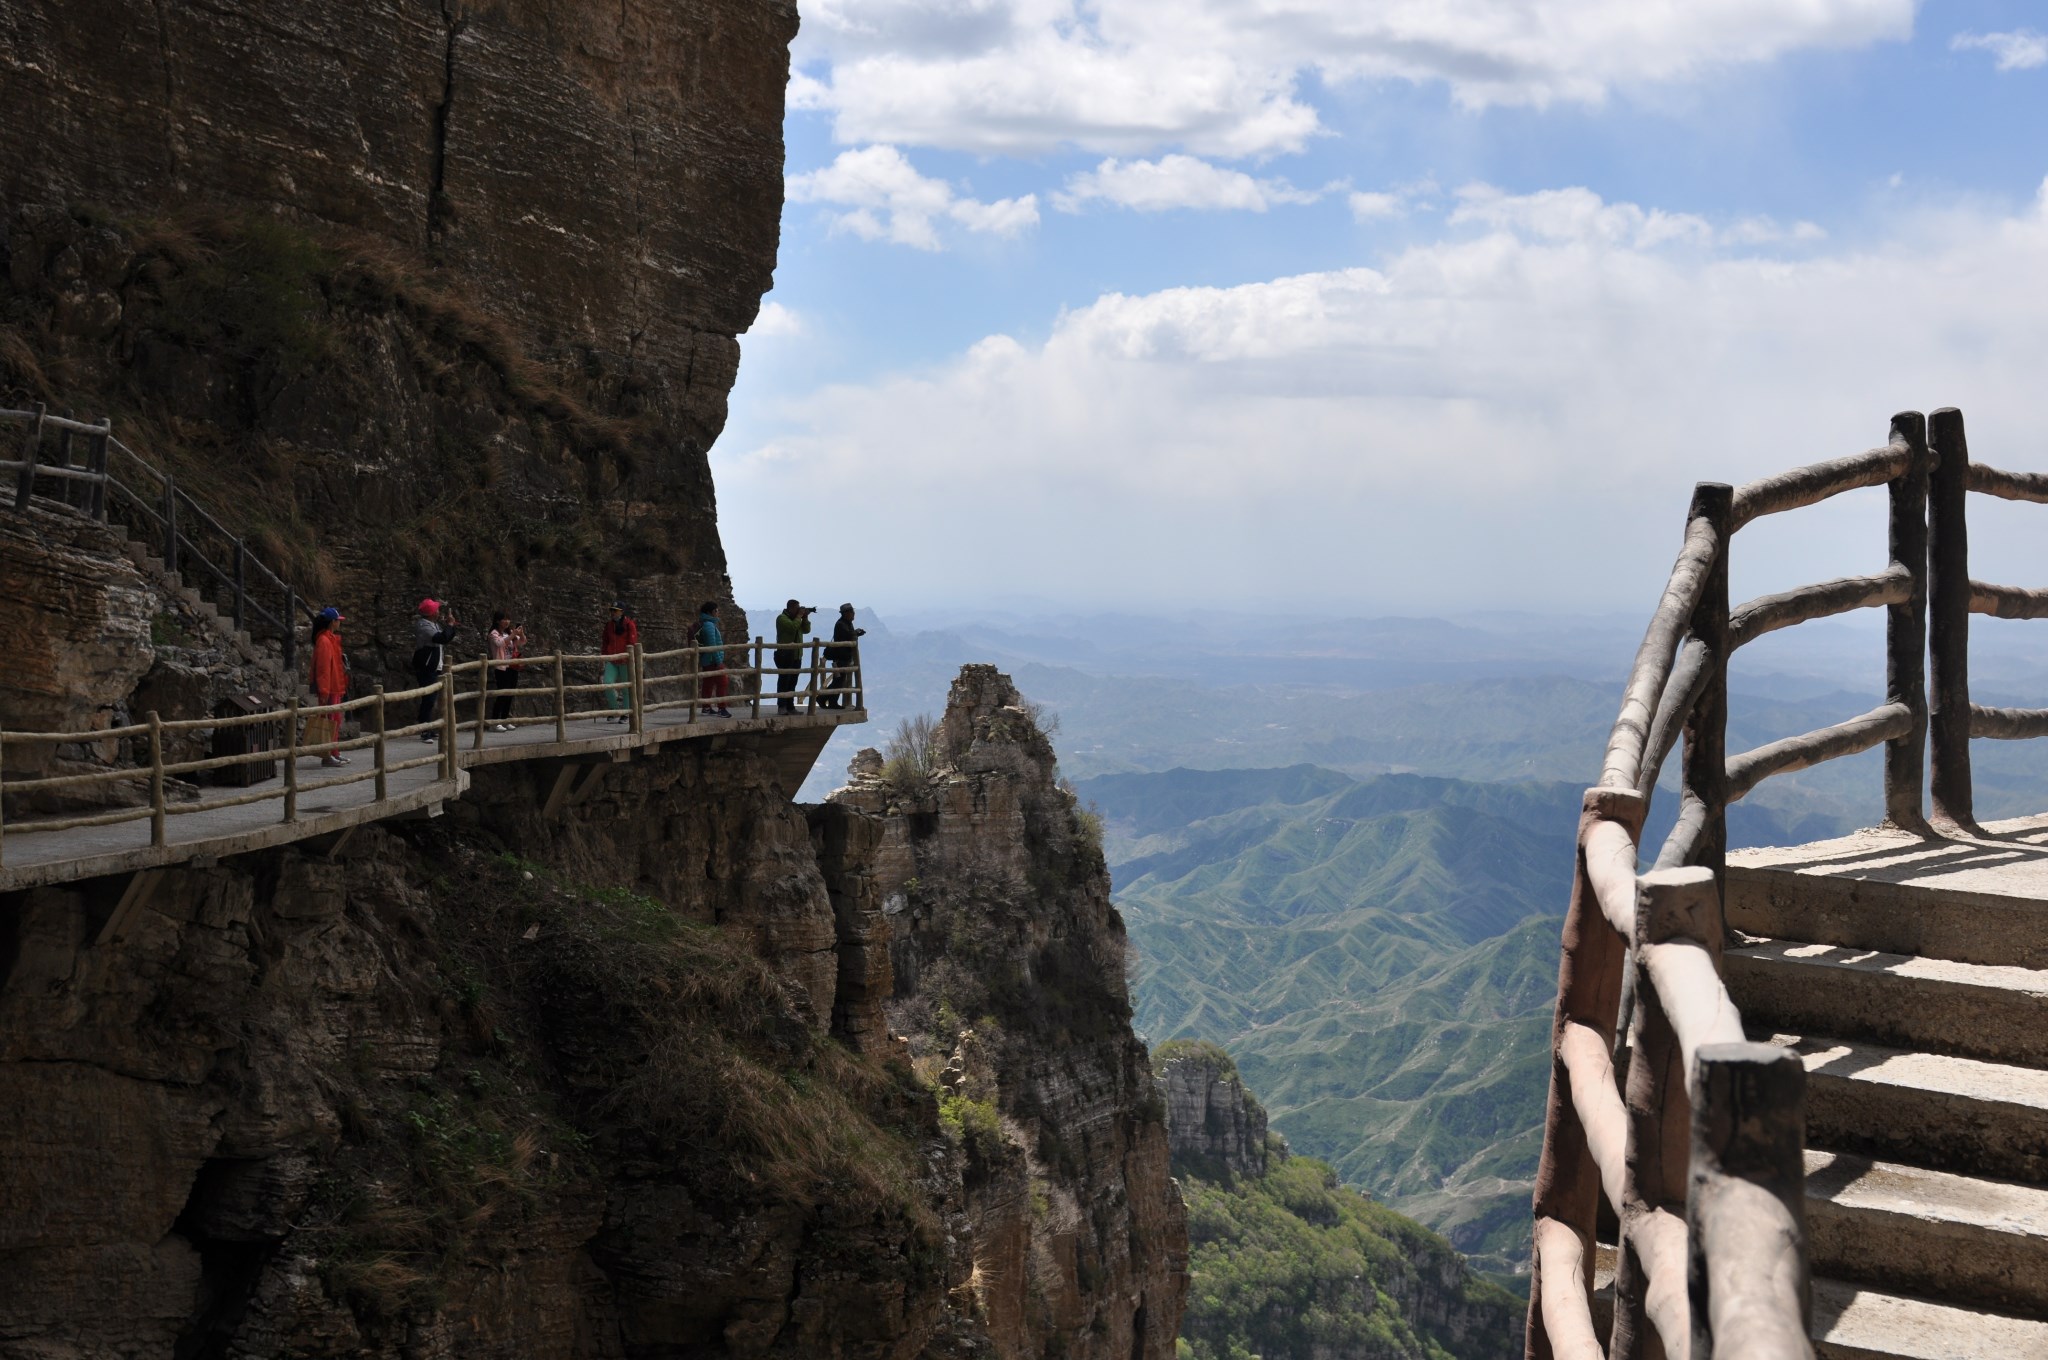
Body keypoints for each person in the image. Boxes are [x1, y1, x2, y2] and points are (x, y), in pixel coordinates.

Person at [412, 598, 459, 740]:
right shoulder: (423, 625)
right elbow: (441, 638)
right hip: (426, 666)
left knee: (431, 699)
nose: (439, 612)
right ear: (432, 613)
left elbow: (447, 637)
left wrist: (451, 626)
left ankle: (428, 727)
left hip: (434, 665)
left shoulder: (434, 624)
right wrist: (449, 625)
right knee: (428, 698)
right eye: (437, 609)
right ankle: (424, 730)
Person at [310, 606, 350, 766]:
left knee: (335, 720)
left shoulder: (328, 639)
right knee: (330, 721)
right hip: (330, 687)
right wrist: (324, 690)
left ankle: (334, 752)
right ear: (332, 623)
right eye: (337, 621)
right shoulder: (325, 641)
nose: (339, 623)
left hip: (335, 686)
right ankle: (328, 754)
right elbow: (323, 668)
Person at [487, 611, 527, 731]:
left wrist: (521, 633)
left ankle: (505, 720)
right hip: (501, 667)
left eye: (508, 619)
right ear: (498, 621)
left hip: (512, 666)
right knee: (502, 694)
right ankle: (494, 722)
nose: (507, 622)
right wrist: (513, 634)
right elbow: (499, 644)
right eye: (504, 619)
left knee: (510, 694)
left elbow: (522, 642)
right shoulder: (494, 633)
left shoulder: (509, 632)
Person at [599, 601, 638, 723]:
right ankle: (614, 709)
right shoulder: (609, 626)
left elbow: (632, 643)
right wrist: (604, 657)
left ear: (622, 612)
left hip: (625, 661)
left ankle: (625, 713)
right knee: (607, 683)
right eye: (612, 610)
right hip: (612, 660)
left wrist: (629, 657)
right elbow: (605, 642)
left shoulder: (629, 625)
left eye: (615, 610)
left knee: (626, 689)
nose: (613, 613)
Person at [693, 600, 732, 717]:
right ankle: (722, 708)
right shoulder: (709, 625)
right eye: (716, 610)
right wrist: (719, 661)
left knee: (708, 683)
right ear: (710, 612)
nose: (718, 612)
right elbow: (712, 645)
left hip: (707, 660)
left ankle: (706, 707)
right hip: (712, 660)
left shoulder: (706, 623)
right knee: (723, 682)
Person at [774, 599, 813, 714]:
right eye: (796, 609)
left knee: (792, 682)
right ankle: (781, 706)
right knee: (784, 681)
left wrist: (805, 618)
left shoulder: (797, 619)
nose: (798, 611)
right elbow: (792, 627)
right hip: (785, 655)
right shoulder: (781, 619)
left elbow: (806, 630)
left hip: (796, 656)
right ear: (790, 608)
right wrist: (799, 616)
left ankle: (790, 707)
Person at [823, 603, 865, 710]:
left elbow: (850, 634)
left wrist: (856, 633)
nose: (853, 614)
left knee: (839, 681)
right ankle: (824, 699)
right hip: (840, 657)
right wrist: (856, 633)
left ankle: (830, 701)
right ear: (846, 613)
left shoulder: (847, 623)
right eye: (852, 612)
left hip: (844, 656)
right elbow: (848, 635)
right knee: (838, 681)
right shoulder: (841, 624)